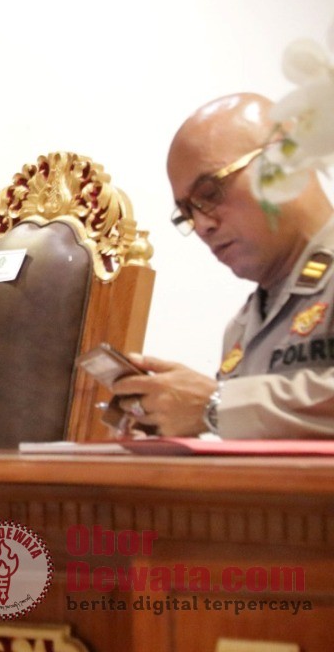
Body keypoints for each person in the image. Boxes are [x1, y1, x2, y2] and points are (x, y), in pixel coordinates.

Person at [112, 92, 334, 438]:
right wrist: (170, 428)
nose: (202, 225)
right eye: (187, 212)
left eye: (210, 193)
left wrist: (216, 405)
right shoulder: (243, 327)